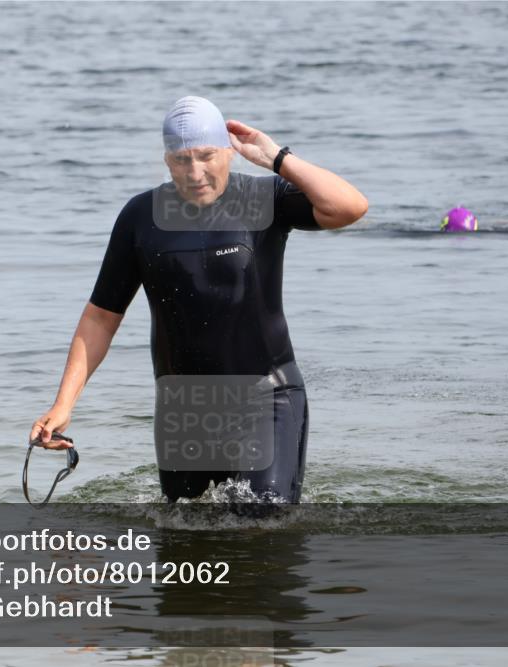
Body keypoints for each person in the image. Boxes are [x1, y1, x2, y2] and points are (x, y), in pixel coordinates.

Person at [29, 96, 368, 502]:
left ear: (228, 150)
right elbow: (101, 317)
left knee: (263, 519)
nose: (195, 172)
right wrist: (64, 404)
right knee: (185, 534)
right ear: (167, 160)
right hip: (183, 411)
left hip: (267, 396)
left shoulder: (264, 200)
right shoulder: (141, 217)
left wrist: (277, 157)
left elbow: (349, 207)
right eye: (181, 160)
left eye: (207, 155)